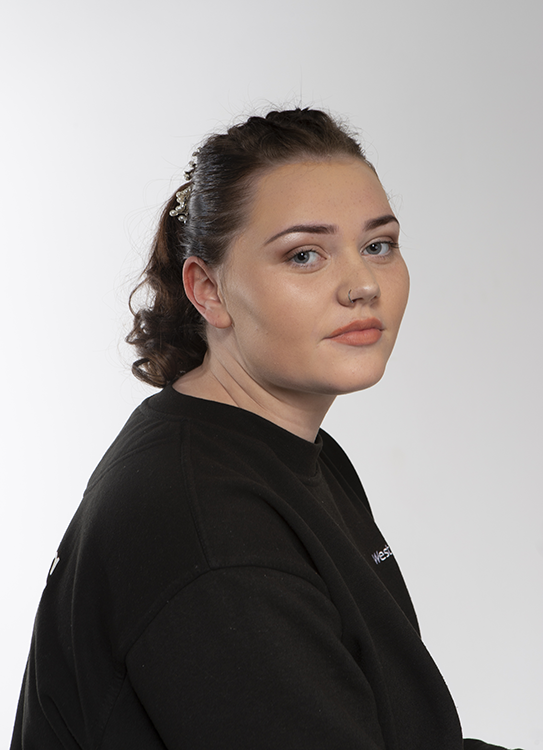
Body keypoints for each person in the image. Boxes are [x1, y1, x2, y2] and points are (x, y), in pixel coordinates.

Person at [11, 108, 520, 749]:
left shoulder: (281, 452)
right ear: (209, 290)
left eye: (378, 245)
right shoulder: (209, 525)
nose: (362, 284)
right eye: (304, 255)